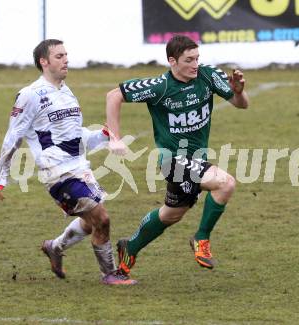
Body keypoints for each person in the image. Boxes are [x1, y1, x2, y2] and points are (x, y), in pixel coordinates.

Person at [0, 39, 136, 285]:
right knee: (102, 219)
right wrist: (0, 177)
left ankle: (54, 247)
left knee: (91, 224)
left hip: (79, 168)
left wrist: (99, 136)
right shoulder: (30, 95)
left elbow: (74, 137)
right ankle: (110, 274)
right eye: (59, 56)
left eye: (66, 55)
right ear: (44, 62)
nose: (66, 60)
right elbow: (13, 136)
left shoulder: (66, 91)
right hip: (56, 173)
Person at [106, 35, 249, 278]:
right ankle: (201, 239)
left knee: (172, 214)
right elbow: (113, 95)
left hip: (197, 159)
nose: (195, 64)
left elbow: (241, 105)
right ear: (172, 61)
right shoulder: (159, 86)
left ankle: (129, 248)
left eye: (197, 58)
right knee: (225, 183)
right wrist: (114, 137)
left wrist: (238, 92)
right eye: (188, 60)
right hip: (172, 160)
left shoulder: (207, 75)